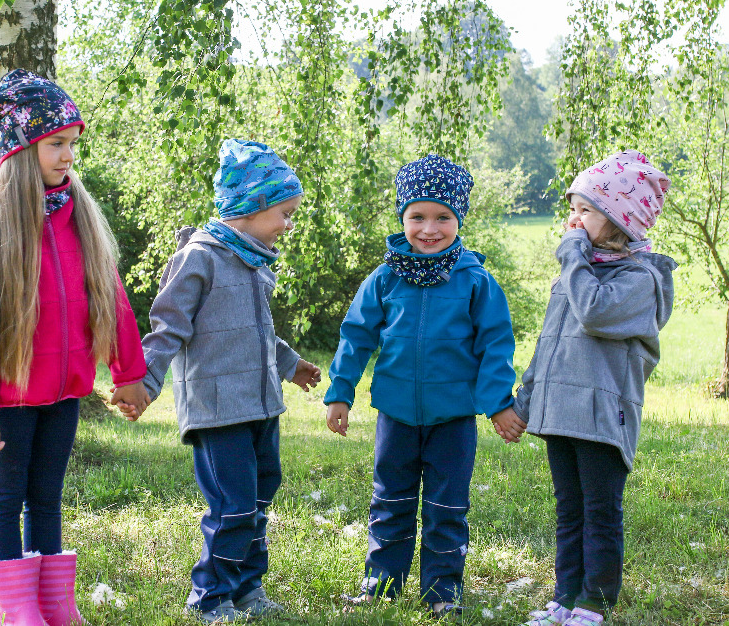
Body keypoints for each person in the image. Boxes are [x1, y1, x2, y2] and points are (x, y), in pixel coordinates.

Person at [0, 69, 149, 626]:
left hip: (64, 393)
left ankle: (54, 603)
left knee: (47, 497)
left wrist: (127, 372)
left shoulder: (76, 216)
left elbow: (112, 300)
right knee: (5, 496)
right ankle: (18, 610)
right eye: (55, 144)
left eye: (71, 144)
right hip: (10, 399)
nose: (67, 156)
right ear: (20, 148)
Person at [323, 154, 524, 620]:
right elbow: (356, 336)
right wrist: (340, 391)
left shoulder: (476, 281)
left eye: (442, 217)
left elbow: (496, 344)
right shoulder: (385, 278)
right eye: (417, 216)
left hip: (453, 417)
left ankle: (442, 593)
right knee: (390, 501)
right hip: (396, 413)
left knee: (446, 507)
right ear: (402, 218)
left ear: (459, 220)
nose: (429, 228)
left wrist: (497, 402)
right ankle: (381, 587)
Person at [140, 138, 321, 624]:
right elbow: (168, 327)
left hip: (262, 405)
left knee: (260, 497)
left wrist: (291, 365)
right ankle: (210, 597)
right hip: (218, 410)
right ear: (252, 205)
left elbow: (258, 333)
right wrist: (145, 380)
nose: (288, 224)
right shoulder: (199, 258)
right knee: (233, 504)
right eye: (284, 213)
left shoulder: (255, 261)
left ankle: (246, 588)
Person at [505, 151, 676, 626]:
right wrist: (527, 396)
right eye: (573, 209)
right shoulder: (575, 272)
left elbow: (595, 312)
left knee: (601, 511)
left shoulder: (639, 279)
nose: (573, 221)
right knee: (570, 509)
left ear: (621, 219)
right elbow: (550, 342)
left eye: (585, 211)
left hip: (602, 417)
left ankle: (593, 603)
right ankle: (564, 598)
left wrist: (570, 253)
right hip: (561, 409)